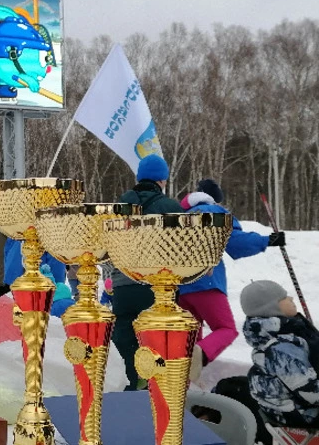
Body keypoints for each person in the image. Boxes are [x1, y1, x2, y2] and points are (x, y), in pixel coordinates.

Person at [178, 179, 285, 382]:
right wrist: (268, 240)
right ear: (215, 199)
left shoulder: (180, 216)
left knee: (190, 337)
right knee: (225, 328)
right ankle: (199, 356)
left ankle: (186, 384)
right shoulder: (216, 213)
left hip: (179, 287)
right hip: (207, 283)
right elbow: (236, 243)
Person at [110, 154, 183, 391]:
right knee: (157, 343)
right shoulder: (170, 208)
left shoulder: (120, 207)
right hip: (156, 288)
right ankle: (158, 395)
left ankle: (129, 391)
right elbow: (182, 247)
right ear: (162, 180)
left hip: (122, 286)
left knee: (125, 344)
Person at [241, 280, 319, 427]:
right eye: (284, 298)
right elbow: (310, 393)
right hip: (302, 412)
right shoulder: (280, 348)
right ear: (271, 308)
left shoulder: (289, 332)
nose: (291, 299)